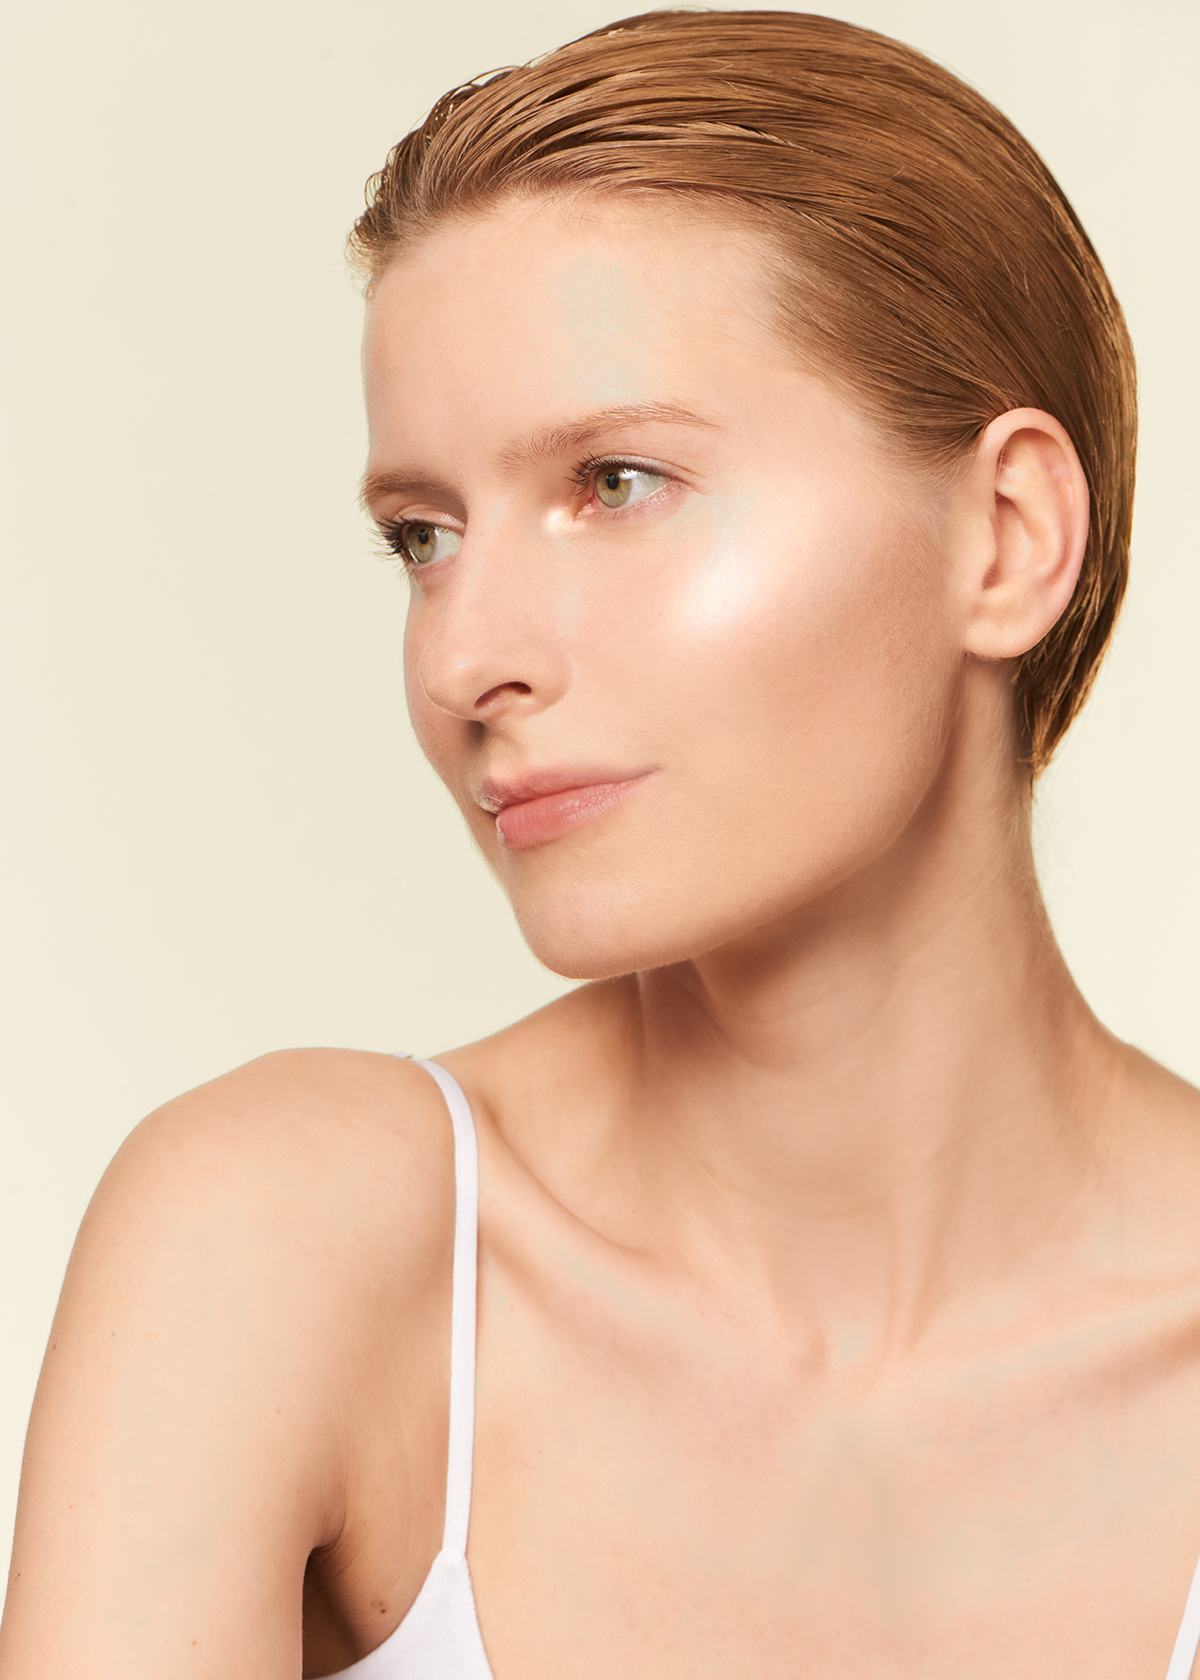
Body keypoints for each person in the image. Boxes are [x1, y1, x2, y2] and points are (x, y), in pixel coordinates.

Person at [2, 8, 1198, 1677]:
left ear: (1003, 539)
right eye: (424, 536)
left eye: (617, 482)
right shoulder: (290, 1247)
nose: (461, 658)